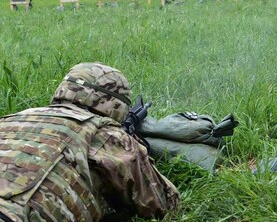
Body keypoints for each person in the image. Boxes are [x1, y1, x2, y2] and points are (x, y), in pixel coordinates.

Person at [0, 62, 179, 222]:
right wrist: (136, 148)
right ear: (115, 104)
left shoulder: (14, 118)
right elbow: (163, 203)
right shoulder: (106, 134)